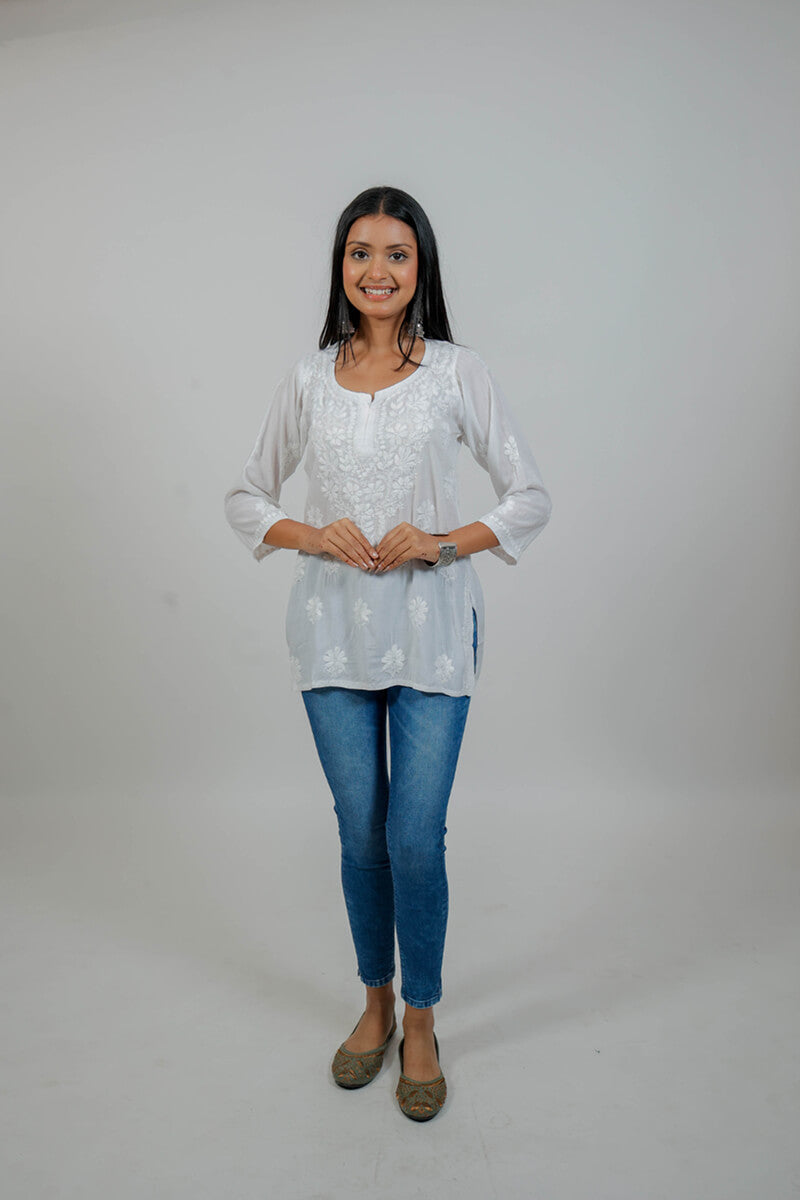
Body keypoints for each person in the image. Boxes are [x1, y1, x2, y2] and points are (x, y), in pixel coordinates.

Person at [224, 185, 552, 1121]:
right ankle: (373, 1004)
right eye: (360, 252)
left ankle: (421, 1019)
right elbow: (246, 496)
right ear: (341, 265)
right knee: (361, 834)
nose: (377, 270)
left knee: (414, 836)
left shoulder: (456, 373)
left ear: (421, 268)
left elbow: (528, 496)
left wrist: (443, 542)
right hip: (331, 635)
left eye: (397, 254)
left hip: (432, 635)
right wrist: (310, 533)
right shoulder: (307, 380)